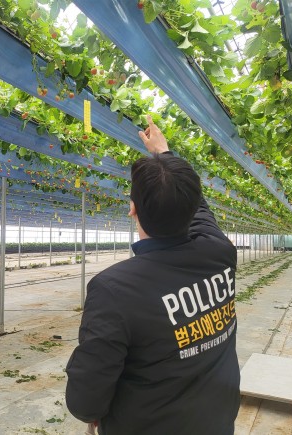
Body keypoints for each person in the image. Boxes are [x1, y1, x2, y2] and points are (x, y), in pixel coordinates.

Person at [65, 116, 240, 434]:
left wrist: (163, 154)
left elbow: (85, 401)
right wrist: (165, 156)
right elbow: (201, 211)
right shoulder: (220, 252)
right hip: (216, 422)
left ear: (132, 208)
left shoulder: (114, 290)